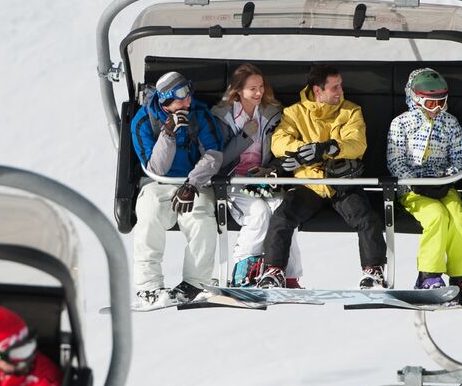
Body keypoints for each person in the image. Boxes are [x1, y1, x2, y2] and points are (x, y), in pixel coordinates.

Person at [256, 64, 388, 290]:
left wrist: (329, 148)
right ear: (318, 90)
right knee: (283, 216)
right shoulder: (294, 113)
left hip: (340, 182)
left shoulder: (350, 111)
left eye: (341, 86)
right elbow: (279, 142)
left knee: (367, 218)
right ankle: (273, 271)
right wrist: (304, 151)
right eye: (334, 87)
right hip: (310, 183)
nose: (340, 91)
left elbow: (357, 144)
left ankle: (373, 272)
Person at [129, 70, 228, 307]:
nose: (188, 101)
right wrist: (168, 135)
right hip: (159, 183)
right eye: (181, 98)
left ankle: (195, 283)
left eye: (188, 95)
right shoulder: (144, 121)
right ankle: (148, 287)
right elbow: (155, 168)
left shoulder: (200, 115)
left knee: (201, 217)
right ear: (165, 102)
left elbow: (213, 155)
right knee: (149, 211)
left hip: (195, 182)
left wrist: (192, 184)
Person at [385, 67, 462, 302]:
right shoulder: (402, 124)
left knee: (458, 217)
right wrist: (415, 182)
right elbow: (395, 160)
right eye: (431, 104)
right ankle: (428, 276)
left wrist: (445, 177)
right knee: (437, 216)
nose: (437, 109)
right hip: (412, 190)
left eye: (442, 102)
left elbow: (460, 157)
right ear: (416, 100)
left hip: (443, 186)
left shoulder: (449, 123)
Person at [209, 64, 303, 286]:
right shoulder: (223, 117)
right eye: (252, 88)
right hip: (232, 180)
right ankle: (243, 271)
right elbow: (218, 157)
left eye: (261, 87)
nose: (259, 93)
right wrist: (245, 136)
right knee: (258, 213)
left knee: (285, 211)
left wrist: (269, 171)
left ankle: (286, 274)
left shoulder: (270, 114)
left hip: (260, 178)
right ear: (238, 90)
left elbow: (278, 151)